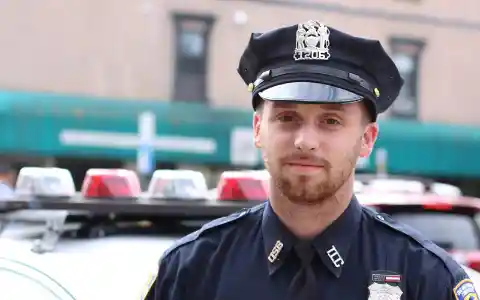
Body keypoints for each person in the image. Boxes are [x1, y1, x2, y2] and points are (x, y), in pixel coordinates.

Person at [144, 20, 478, 300]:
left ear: (367, 139)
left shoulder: (427, 281)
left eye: (331, 121)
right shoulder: (192, 272)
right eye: (287, 117)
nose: (305, 141)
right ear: (258, 129)